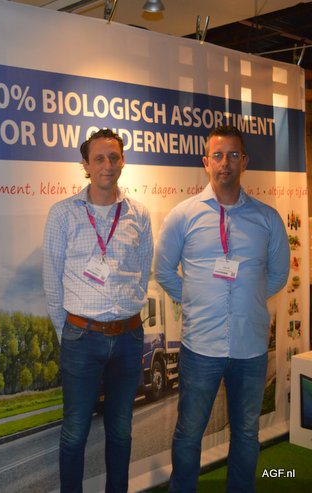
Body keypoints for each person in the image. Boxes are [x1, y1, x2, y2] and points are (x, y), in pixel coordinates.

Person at [154, 125, 290, 492]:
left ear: (244, 161)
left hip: (250, 347)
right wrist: (195, 299)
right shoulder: (183, 216)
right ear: (206, 162)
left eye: (232, 155)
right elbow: (164, 271)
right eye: (217, 155)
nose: (225, 163)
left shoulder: (267, 218)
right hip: (200, 347)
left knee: (246, 432)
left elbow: (278, 275)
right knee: (189, 432)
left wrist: (249, 298)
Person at [43, 128, 153, 493]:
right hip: (82, 337)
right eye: (99, 158)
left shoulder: (139, 214)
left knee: (121, 429)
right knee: (75, 431)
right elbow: (52, 281)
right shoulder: (63, 214)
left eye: (114, 157)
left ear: (123, 161)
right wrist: (68, 333)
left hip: (128, 337)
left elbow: (143, 272)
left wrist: (128, 314)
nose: (108, 165)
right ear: (86, 165)